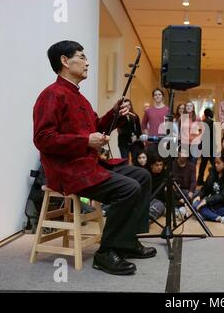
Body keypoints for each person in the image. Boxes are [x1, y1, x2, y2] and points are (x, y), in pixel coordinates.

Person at [33, 40, 155, 276]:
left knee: (142, 176)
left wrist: (115, 114)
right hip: (68, 172)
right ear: (65, 61)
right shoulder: (51, 95)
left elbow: (98, 128)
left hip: (89, 165)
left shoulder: (80, 98)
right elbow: (43, 139)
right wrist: (85, 141)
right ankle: (105, 253)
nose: (87, 62)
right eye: (82, 57)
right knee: (128, 188)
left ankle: (127, 242)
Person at [193, 155, 224, 224]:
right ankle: (220, 219)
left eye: (218, 163)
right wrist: (199, 196)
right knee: (195, 204)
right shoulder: (213, 171)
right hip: (213, 203)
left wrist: (206, 201)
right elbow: (206, 188)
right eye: (215, 162)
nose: (215, 165)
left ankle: (206, 215)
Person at [141, 88, 169, 154]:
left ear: (163, 96)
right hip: (151, 140)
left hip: (163, 140)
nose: (157, 96)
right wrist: (147, 133)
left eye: (159, 94)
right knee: (151, 160)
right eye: (155, 95)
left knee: (162, 161)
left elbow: (170, 126)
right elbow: (143, 124)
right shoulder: (149, 110)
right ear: (153, 97)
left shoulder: (167, 109)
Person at [172, 149, 197, 219]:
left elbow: (193, 182)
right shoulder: (172, 164)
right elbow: (170, 180)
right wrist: (179, 197)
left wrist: (191, 192)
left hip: (186, 191)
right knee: (167, 190)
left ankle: (179, 208)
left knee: (196, 193)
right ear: (178, 154)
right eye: (181, 152)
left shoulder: (191, 166)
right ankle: (181, 208)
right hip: (175, 190)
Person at [197, 108, 215, 185]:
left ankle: (200, 180)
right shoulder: (212, 122)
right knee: (214, 164)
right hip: (210, 146)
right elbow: (214, 136)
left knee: (202, 165)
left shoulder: (203, 122)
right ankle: (215, 179)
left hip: (204, 146)